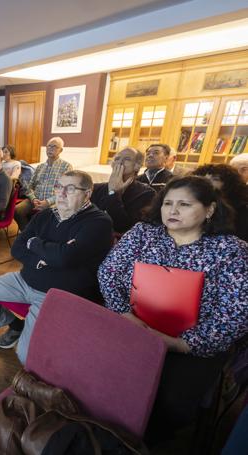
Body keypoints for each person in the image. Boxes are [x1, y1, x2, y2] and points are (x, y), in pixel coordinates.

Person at [98, 176, 248, 444]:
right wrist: (124, 314)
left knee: (168, 402)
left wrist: (179, 344)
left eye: (184, 204)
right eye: (167, 203)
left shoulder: (230, 250)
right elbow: (108, 273)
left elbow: (235, 314)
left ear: (210, 209)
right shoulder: (144, 233)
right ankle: (100, 434)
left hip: (192, 345)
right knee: (102, 376)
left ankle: (137, 443)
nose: (173, 211)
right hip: (134, 326)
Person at [0, 171, 113, 363]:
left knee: (25, 355)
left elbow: (65, 258)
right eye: (58, 187)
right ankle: (15, 325)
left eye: (70, 189)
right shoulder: (45, 215)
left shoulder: (98, 222)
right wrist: (42, 259)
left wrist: (36, 243)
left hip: (55, 293)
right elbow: (18, 248)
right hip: (23, 280)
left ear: (87, 193)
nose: (61, 194)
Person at [91, 147, 155, 234]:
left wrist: (113, 193)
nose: (120, 162)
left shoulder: (146, 193)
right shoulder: (96, 188)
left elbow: (123, 226)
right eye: (117, 159)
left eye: (127, 159)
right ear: (112, 164)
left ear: (137, 166)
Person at [14, 137, 72, 231]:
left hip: (54, 203)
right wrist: (34, 199)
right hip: (34, 201)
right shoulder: (40, 167)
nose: (50, 148)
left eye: (54, 146)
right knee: (17, 210)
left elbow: (65, 191)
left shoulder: (66, 167)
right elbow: (29, 188)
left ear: (60, 150)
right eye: (49, 146)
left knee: (45, 216)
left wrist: (48, 202)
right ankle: (27, 234)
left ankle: (39, 237)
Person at [193, 163, 248, 241]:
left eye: (215, 179)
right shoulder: (195, 203)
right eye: (202, 178)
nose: (207, 181)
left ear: (229, 183)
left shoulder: (241, 208)